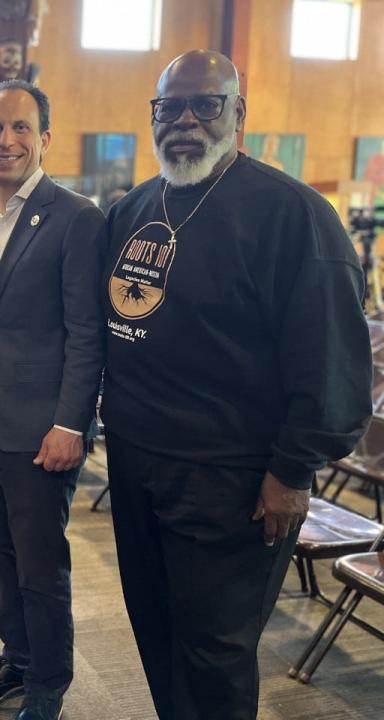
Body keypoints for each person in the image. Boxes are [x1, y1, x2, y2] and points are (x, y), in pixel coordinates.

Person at [101, 50, 372, 720]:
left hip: (235, 480)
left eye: (205, 104)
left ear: (238, 114)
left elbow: (331, 359)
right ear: (153, 116)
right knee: (157, 630)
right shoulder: (133, 208)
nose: (185, 120)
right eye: (170, 107)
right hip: (138, 467)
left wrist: (293, 471)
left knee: (214, 653)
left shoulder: (295, 217)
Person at [0, 79, 106, 720]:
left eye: (19, 128)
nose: (5, 140)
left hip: (45, 429)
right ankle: (15, 659)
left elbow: (86, 331)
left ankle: (48, 683)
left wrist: (72, 422)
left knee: (41, 562)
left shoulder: (76, 217)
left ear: (44, 138)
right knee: (3, 550)